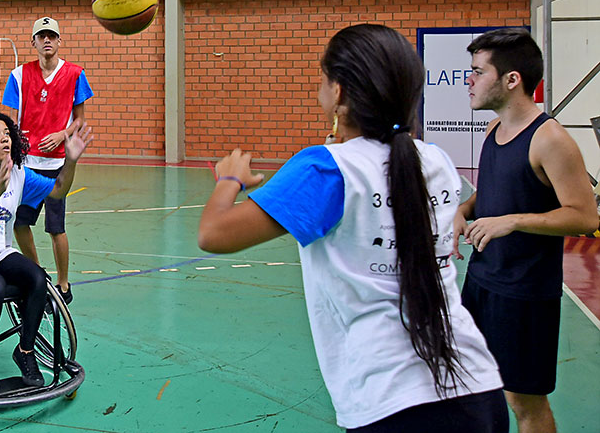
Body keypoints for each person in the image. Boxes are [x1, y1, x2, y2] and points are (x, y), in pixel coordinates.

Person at [198, 24, 507, 433]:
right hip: (477, 386)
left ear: (338, 91)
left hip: (393, 403)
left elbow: (213, 233)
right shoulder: (436, 161)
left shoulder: (326, 169)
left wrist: (229, 179)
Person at [454, 28, 597, 433]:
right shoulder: (492, 131)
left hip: (525, 291)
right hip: (482, 280)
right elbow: (492, 194)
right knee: (476, 385)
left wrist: (515, 222)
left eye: (479, 72)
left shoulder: (550, 139)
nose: (470, 80)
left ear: (511, 80)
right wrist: (463, 210)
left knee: (524, 401)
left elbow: (585, 217)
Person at [0, 107, 92, 397]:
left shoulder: (19, 173)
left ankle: (25, 350)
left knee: (37, 278)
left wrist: (70, 161)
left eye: (7, 133)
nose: (5, 139)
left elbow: (58, 190)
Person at [3, 17, 93, 304]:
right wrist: (15, 143)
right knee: (19, 222)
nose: (47, 41)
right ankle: (37, 273)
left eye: (51, 36)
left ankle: (64, 283)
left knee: (57, 228)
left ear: (59, 41)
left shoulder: (75, 73)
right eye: (41, 36)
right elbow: (10, 119)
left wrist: (61, 134)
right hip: (26, 165)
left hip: (57, 164)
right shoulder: (18, 75)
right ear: (33, 42)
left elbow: (80, 119)